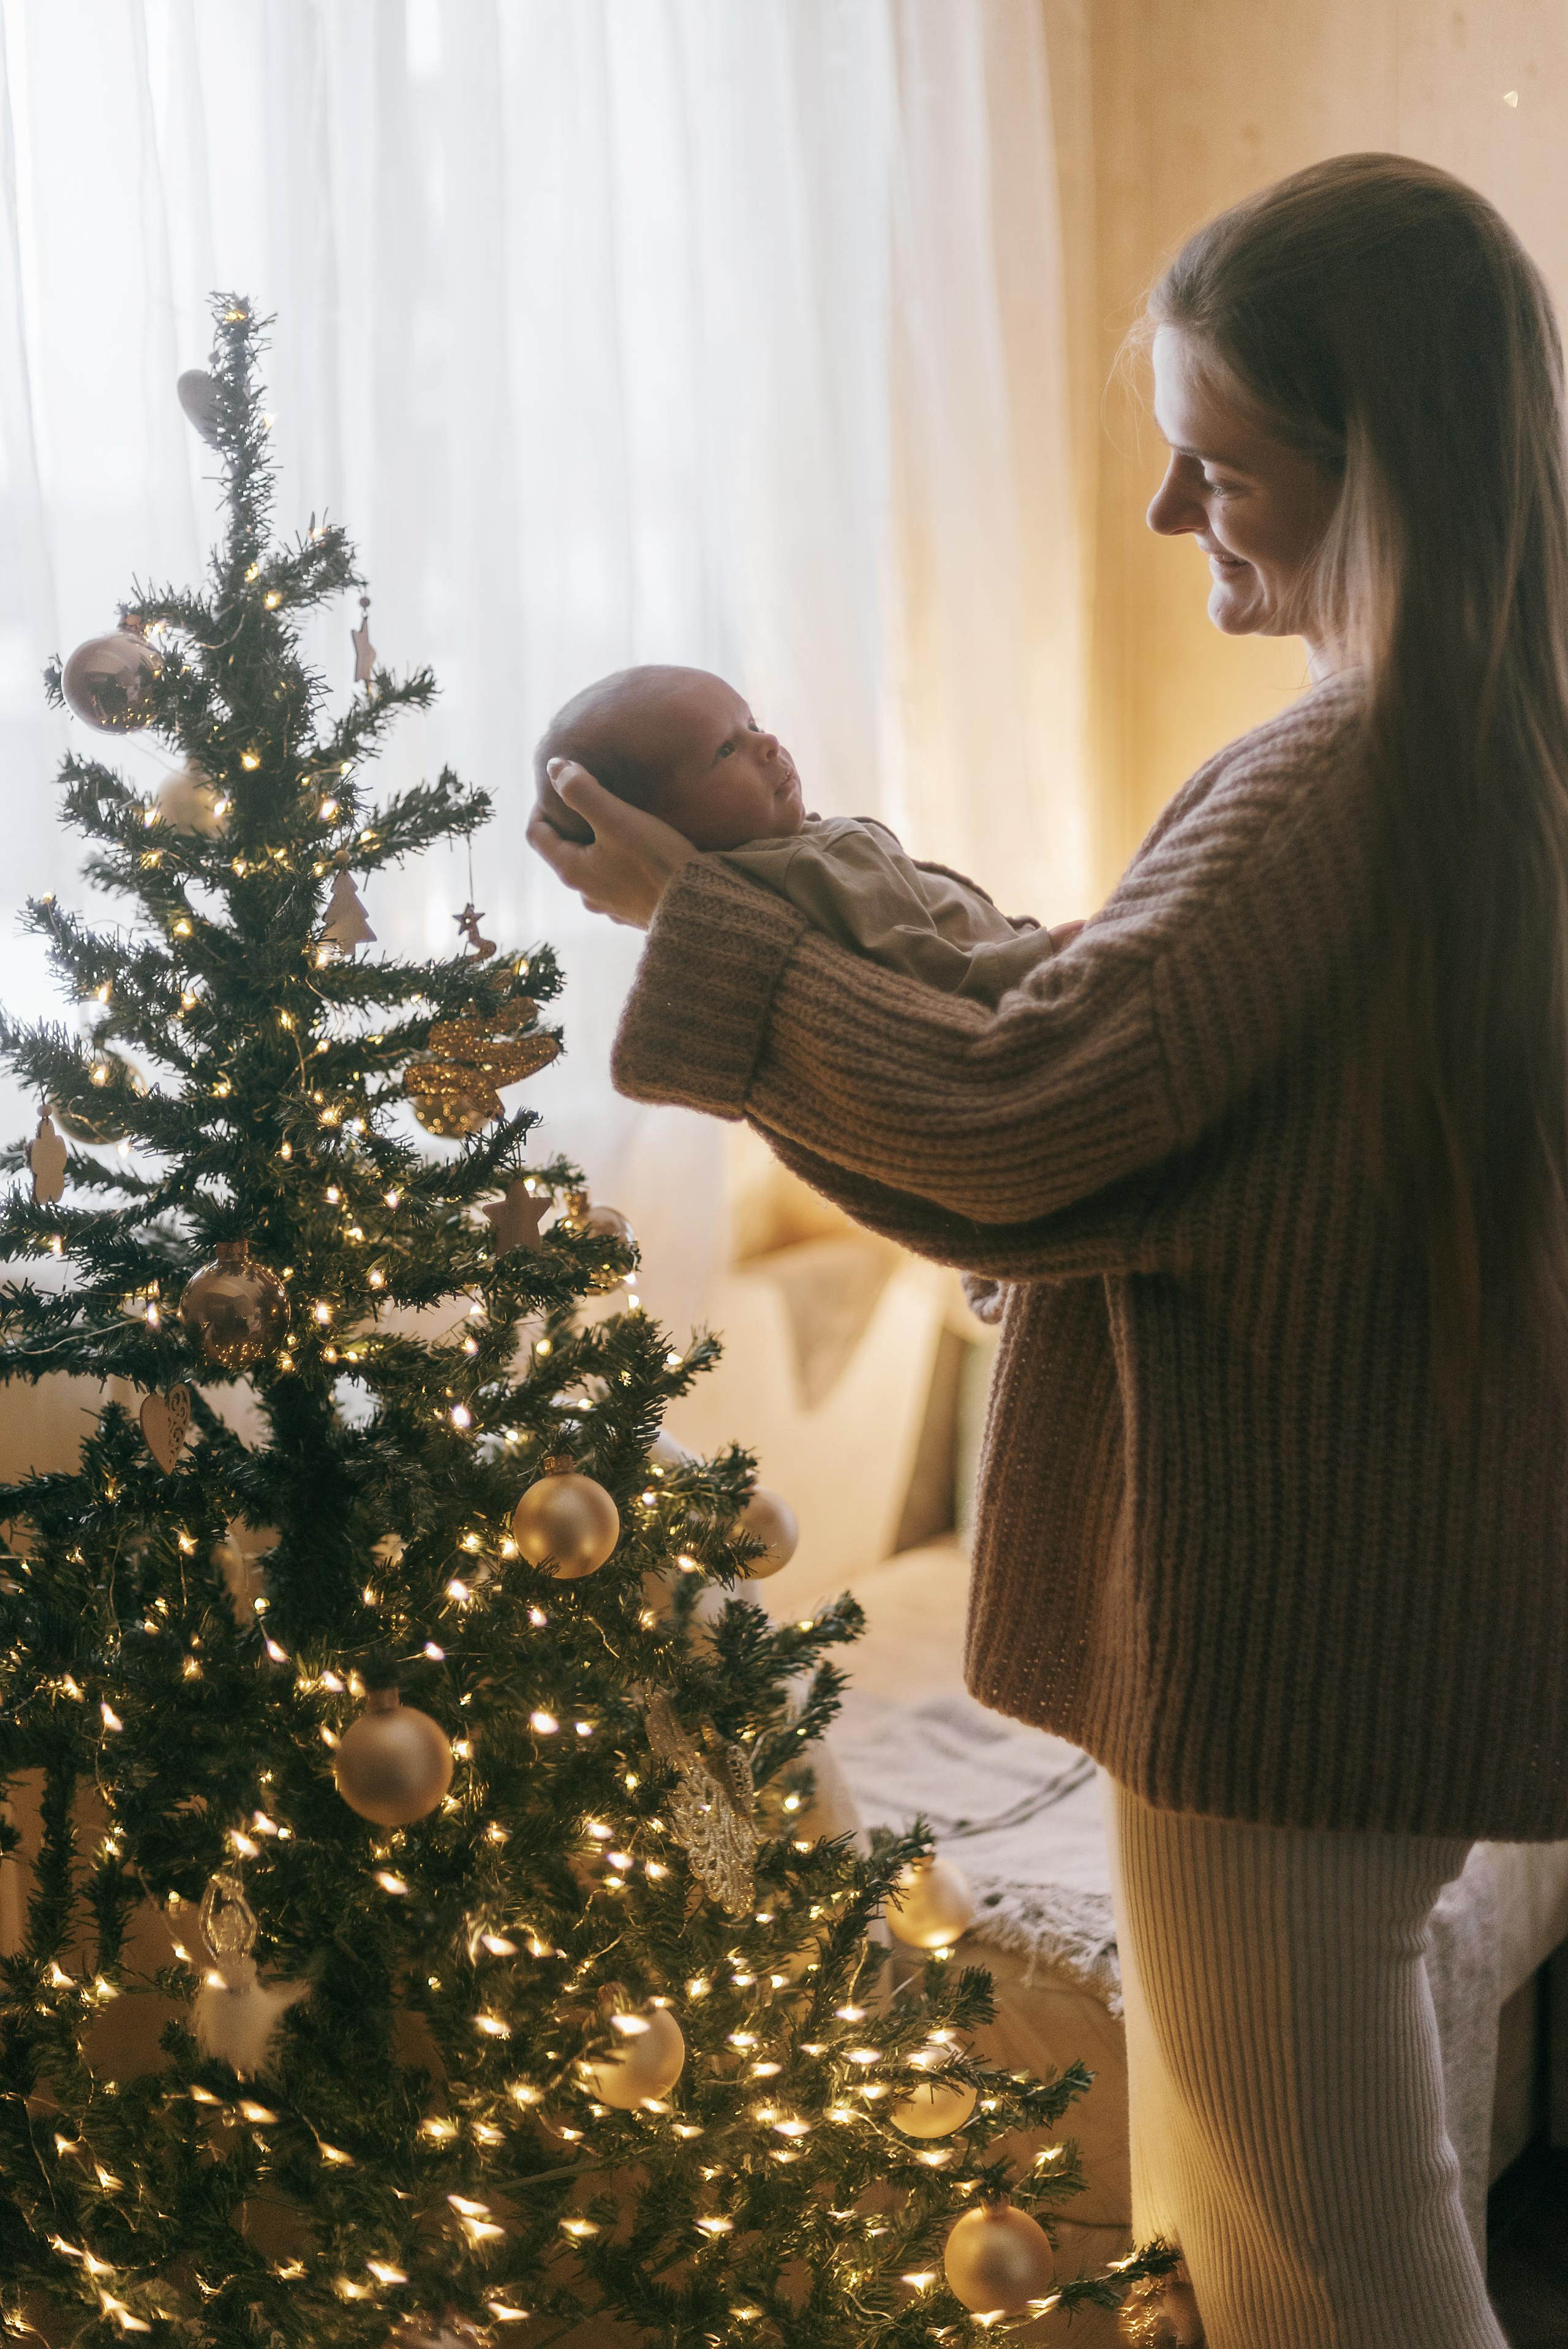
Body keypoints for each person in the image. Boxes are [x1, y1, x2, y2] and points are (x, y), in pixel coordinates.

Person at [530, 154, 1568, 2348]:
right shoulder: (1482, 753)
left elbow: (1029, 1114)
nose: (1165, 519)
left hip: (1271, 1653)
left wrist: (698, 921)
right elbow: (1101, 1033)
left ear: (1368, 467)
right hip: (1370, 1624)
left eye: (1215, 467)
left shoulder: (1337, 784)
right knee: (1301, 2235)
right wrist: (798, 894)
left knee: (1332, 2274)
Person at [533, 665, 1076, 1000]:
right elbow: (924, 975)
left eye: (751, 723)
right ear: (652, 827)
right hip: (1024, 988)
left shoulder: (770, 874)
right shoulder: (809, 869)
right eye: (725, 751)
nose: (767, 742)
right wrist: (1042, 952)